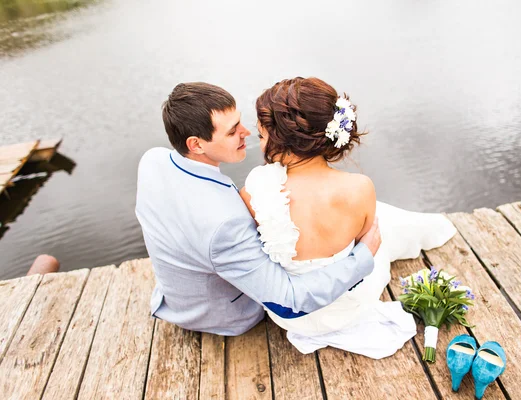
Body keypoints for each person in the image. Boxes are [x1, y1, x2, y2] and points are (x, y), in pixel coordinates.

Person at [135, 82, 382, 336]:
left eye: (241, 123)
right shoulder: (226, 222)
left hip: (177, 294)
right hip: (226, 315)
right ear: (196, 144)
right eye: (232, 132)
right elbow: (288, 301)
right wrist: (363, 256)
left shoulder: (152, 160)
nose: (246, 133)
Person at [240, 77, 457, 358]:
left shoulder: (254, 190)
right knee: (378, 233)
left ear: (282, 139)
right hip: (347, 310)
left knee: (377, 230)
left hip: (288, 315)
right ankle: (433, 229)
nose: (259, 142)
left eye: (261, 135)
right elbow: (363, 245)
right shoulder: (359, 188)